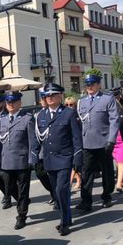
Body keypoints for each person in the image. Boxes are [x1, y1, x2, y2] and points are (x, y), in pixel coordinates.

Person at [35, 83, 82, 236]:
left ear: (60, 96)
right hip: (49, 159)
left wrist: (77, 157)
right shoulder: (41, 115)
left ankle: (64, 223)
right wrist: (34, 156)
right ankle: (67, 217)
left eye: (52, 95)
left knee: (62, 189)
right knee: (56, 192)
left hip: (64, 158)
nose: (49, 98)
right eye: (46, 96)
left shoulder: (69, 113)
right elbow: (38, 138)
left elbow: (76, 137)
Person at [0, 91, 39, 230]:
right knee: (9, 187)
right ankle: (22, 201)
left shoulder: (27, 119)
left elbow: (32, 141)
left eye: (13, 102)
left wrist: (32, 158)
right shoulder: (1, 120)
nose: (11, 104)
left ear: (20, 103)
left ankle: (21, 216)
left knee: (23, 189)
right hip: (6, 161)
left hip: (22, 160)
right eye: (8, 102)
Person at [76, 74, 119, 211]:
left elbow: (114, 120)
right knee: (86, 172)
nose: (89, 87)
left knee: (107, 171)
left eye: (92, 84)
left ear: (99, 85)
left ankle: (107, 196)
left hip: (103, 141)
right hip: (87, 142)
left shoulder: (107, 99)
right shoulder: (81, 101)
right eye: (87, 84)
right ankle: (86, 200)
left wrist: (111, 139)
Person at [34, 92, 56, 203]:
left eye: (45, 98)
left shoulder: (56, 112)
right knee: (40, 173)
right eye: (42, 99)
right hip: (41, 151)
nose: (43, 101)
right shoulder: (37, 115)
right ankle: (53, 191)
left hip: (54, 149)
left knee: (54, 174)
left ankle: (57, 196)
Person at [65, 97, 81, 191]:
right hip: (67, 143)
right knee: (71, 164)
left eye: (71, 104)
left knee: (74, 164)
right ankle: (78, 179)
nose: (69, 106)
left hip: (76, 143)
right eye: (66, 105)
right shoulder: (64, 115)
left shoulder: (77, 115)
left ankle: (70, 182)